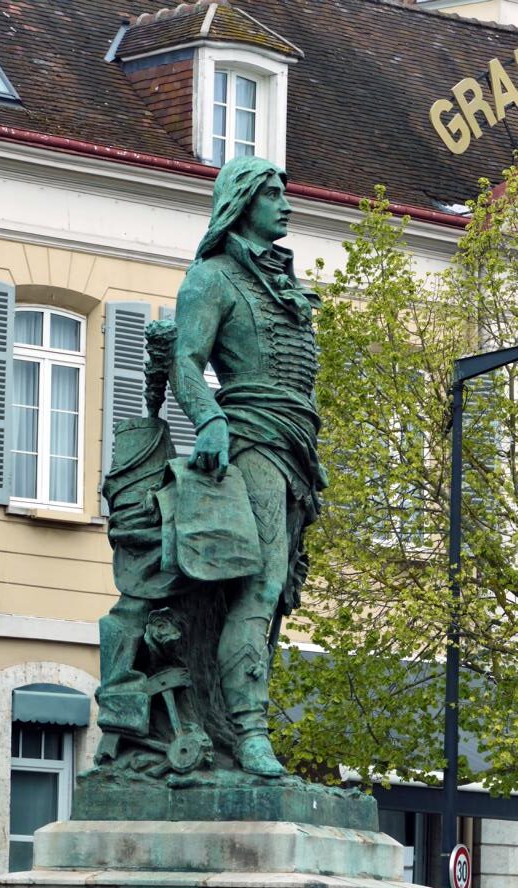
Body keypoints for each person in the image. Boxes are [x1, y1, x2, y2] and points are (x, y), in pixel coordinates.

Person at [171, 156, 326, 776]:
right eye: (271, 194)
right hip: (253, 436)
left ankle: (237, 723)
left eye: (285, 192)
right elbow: (186, 360)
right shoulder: (211, 278)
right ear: (241, 202)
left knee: (275, 593)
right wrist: (209, 420)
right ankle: (251, 733)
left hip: (295, 444)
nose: (285, 204)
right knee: (258, 585)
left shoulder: (283, 285)